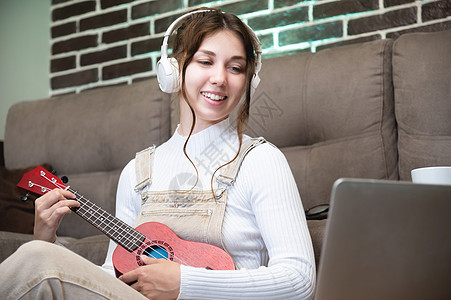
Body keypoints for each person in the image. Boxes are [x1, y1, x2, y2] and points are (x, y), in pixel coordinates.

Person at [0, 8, 315, 299]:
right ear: (174, 70)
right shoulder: (138, 172)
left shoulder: (261, 161)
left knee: (35, 259)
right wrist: (45, 241)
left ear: (249, 80)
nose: (220, 78)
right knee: (37, 255)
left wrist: (185, 283)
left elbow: (300, 280)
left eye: (236, 67)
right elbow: (114, 277)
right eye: (205, 62)